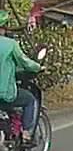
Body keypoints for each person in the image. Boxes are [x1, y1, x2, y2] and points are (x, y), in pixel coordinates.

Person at [0, 11, 42, 143]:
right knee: (30, 100)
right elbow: (25, 62)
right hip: (5, 94)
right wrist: (38, 67)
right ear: (4, 27)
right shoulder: (10, 44)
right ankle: (26, 133)